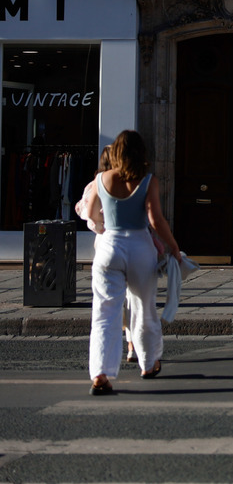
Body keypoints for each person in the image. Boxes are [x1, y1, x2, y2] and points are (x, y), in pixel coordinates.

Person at [86, 131, 181, 396]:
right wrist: (173, 247)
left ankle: (100, 374)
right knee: (143, 307)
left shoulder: (100, 179)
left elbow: (92, 214)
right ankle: (149, 363)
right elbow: (155, 220)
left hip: (109, 247)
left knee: (105, 312)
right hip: (139, 247)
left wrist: (107, 230)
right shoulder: (148, 181)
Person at [76, 145, 140, 365]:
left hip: (105, 244)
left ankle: (102, 366)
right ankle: (134, 347)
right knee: (132, 299)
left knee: (106, 305)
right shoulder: (131, 183)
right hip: (130, 243)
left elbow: (89, 216)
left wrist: (104, 227)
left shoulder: (94, 185)